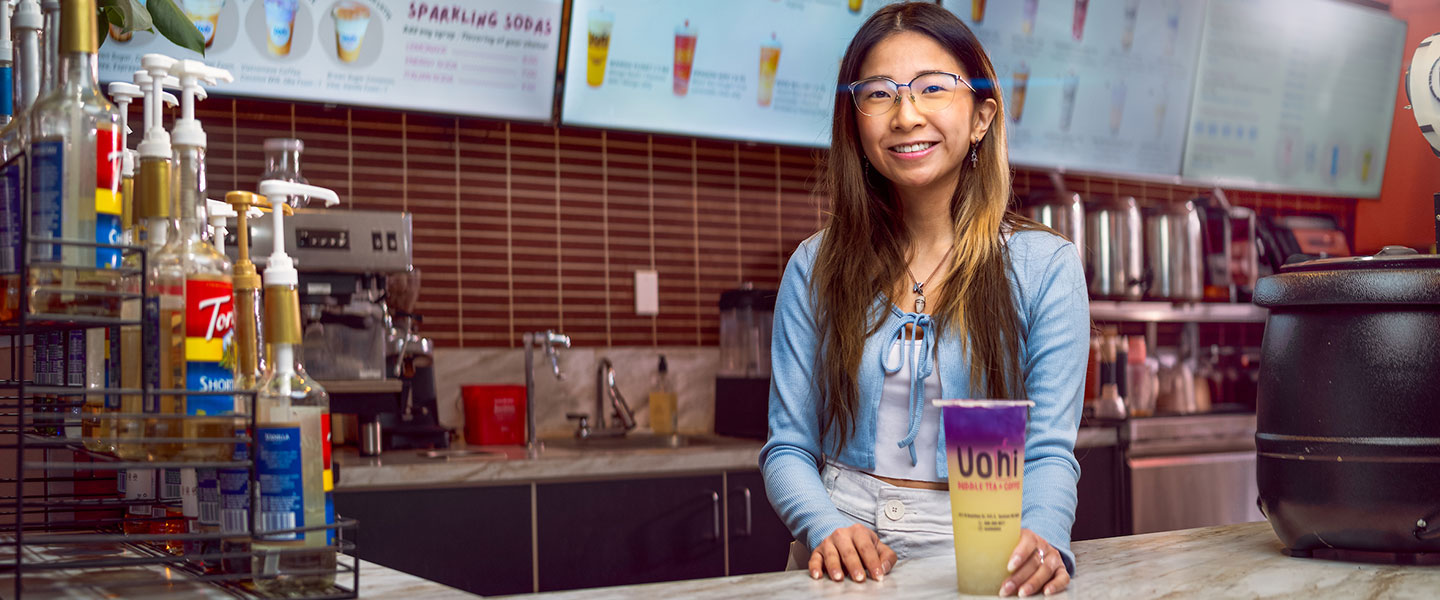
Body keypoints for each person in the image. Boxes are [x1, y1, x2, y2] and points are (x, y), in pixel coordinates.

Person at [759, 3, 1088, 597]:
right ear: (855, 123)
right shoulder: (814, 266)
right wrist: (825, 526)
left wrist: (1042, 536)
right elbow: (787, 447)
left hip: (986, 551)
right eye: (880, 94)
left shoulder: (1047, 268)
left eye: (933, 88)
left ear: (982, 117)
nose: (906, 115)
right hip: (843, 556)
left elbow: (1048, 454)